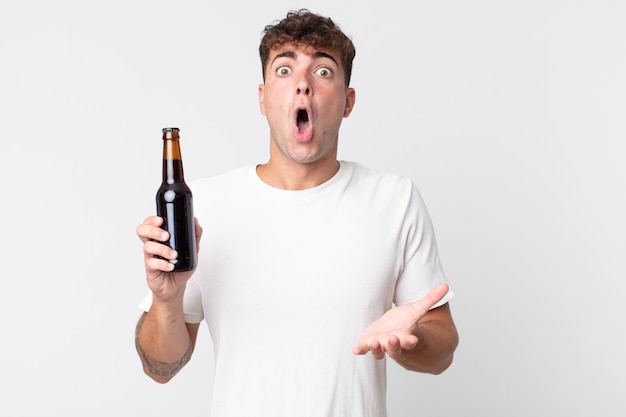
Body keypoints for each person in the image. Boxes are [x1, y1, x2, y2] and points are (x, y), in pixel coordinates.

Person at [135, 9, 458, 417]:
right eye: (284, 69)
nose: (302, 85)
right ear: (263, 98)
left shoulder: (394, 199)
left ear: (348, 101)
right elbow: (160, 367)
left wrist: (412, 340)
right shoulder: (204, 206)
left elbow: (442, 348)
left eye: (323, 72)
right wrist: (167, 300)